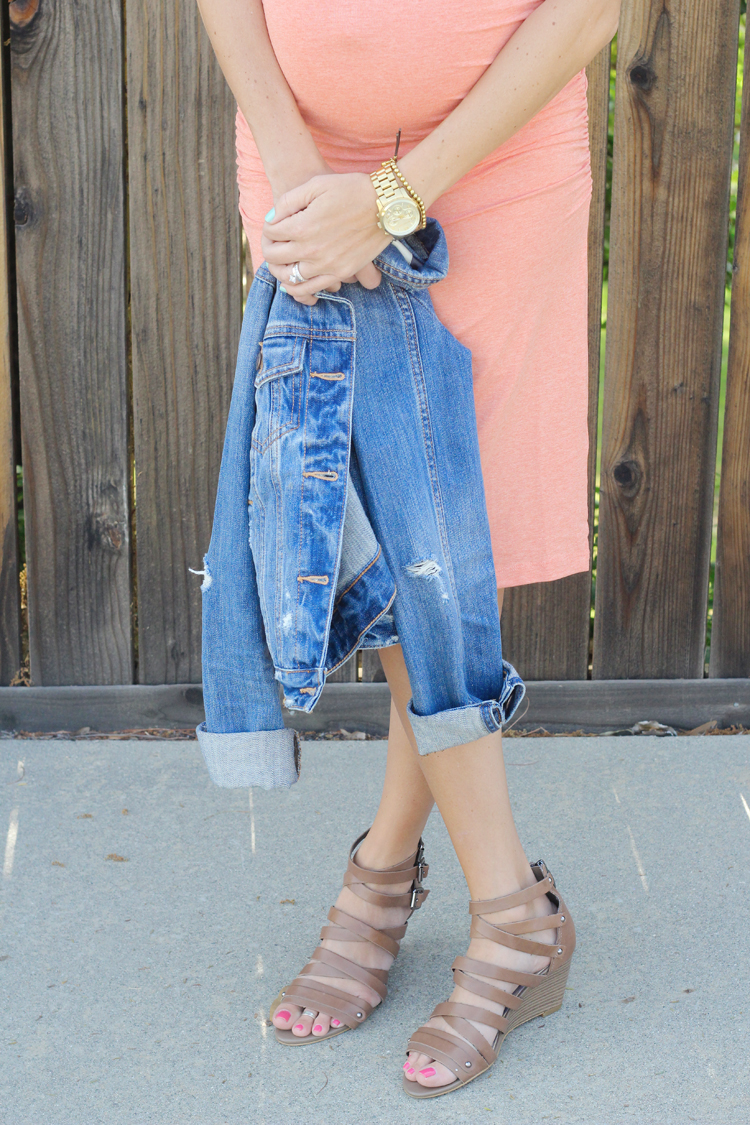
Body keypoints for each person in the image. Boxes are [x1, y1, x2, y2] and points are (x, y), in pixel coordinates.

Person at [195, 0, 621, 1097]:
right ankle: (485, 904)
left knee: (436, 553)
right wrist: (303, 175)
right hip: (301, 167)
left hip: (491, 162)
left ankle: (430, 891)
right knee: (384, 534)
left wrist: (394, 198)